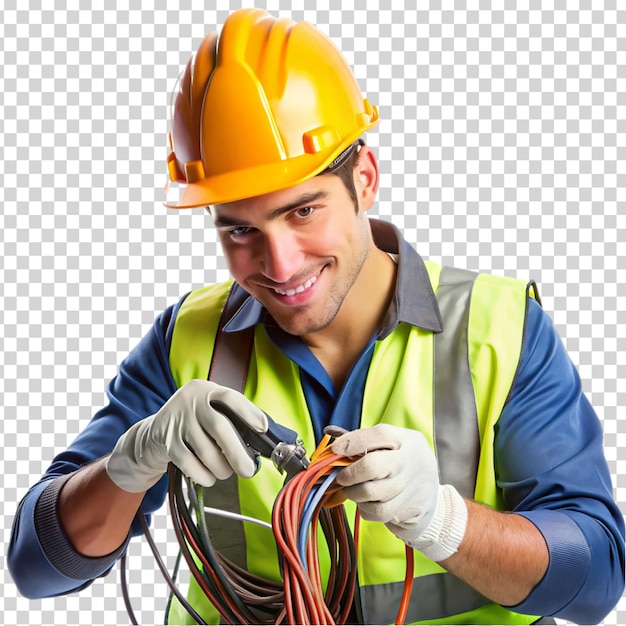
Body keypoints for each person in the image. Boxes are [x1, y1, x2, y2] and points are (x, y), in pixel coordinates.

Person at [8, 7, 624, 625]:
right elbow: (36, 567)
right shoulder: (188, 342)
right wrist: (127, 466)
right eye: (241, 229)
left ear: (365, 177)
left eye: (303, 212)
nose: (278, 263)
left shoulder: (497, 330)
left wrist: (443, 522)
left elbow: (597, 580)